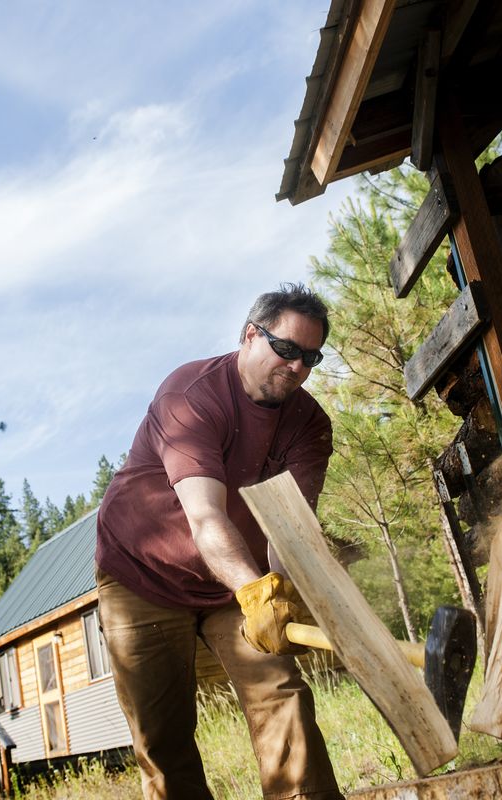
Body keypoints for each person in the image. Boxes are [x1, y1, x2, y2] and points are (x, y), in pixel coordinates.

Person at [95, 283, 344, 800]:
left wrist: (278, 595)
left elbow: (289, 529)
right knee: (163, 739)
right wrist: (256, 594)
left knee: (282, 695)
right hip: (144, 576)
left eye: (311, 358)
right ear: (250, 335)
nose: (298, 367)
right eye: (287, 349)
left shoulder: (310, 424)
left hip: (236, 582)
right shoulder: (191, 396)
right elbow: (206, 517)